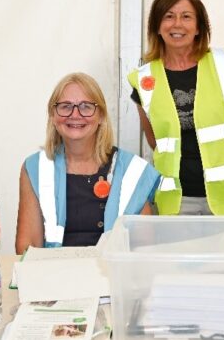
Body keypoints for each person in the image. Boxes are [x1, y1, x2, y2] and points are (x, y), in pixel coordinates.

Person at [127, 0, 224, 216]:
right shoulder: (144, 79)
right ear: (157, 26)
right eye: (169, 16)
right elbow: (155, 140)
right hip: (177, 202)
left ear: (199, 27)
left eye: (186, 16)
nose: (177, 24)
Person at [16, 73, 160, 252]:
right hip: (55, 273)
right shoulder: (35, 168)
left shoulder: (133, 170)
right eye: (65, 106)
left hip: (112, 275)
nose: (75, 114)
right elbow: (27, 247)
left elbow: (144, 249)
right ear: (53, 116)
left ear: (101, 116)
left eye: (86, 106)